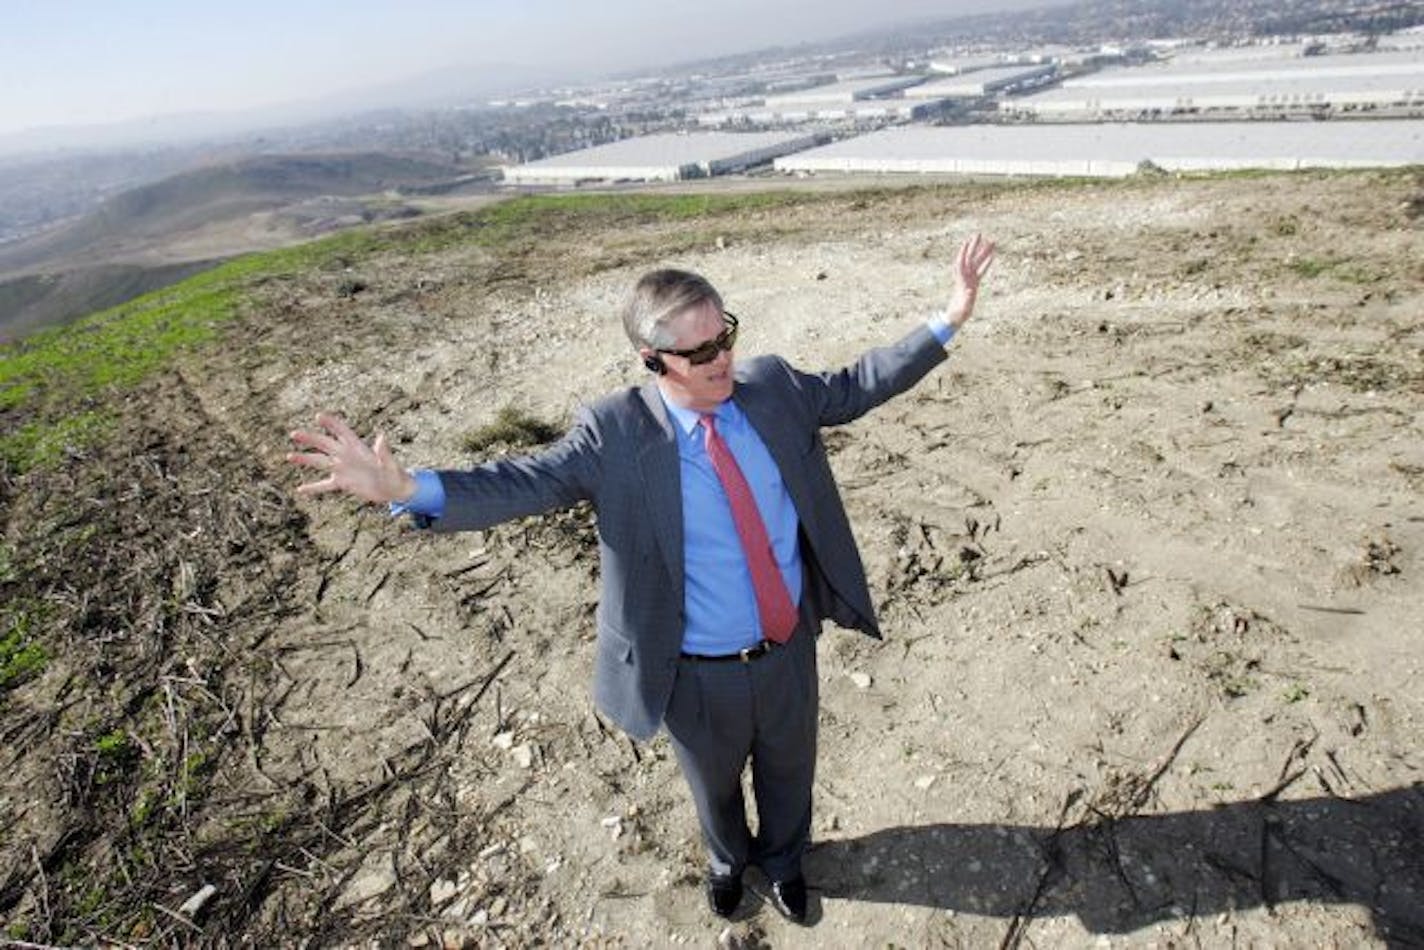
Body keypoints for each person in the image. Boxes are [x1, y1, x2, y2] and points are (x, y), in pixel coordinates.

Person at [286, 234, 996, 925]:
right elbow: (525, 481)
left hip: (787, 652)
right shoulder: (616, 434)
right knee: (712, 788)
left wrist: (949, 317)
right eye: (701, 351)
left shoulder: (773, 388)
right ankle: (727, 864)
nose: (724, 359)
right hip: (692, 673)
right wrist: (406, 486)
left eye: (726, 336)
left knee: (790, 775)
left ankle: (783, 864)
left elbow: (857, 385)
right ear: (653, 360)